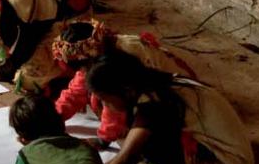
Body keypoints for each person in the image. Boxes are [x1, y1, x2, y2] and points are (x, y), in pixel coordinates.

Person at [85, 51, 254, 164]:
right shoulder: (154, 83)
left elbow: (126, 158)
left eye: (105, 100)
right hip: (234, 160)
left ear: (127, 91)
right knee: (142, 139)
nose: (104, 105)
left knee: (148, 143)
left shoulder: (153, 103)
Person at [44, 20, 197, 146]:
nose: (81, 72)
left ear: (89, 59)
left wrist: (103, 139)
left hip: (176, 94)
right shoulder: (97, 53)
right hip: (142, 90)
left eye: (82, 68)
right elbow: (77, 88)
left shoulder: (116, 63)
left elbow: (114, 108)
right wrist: (56, 116)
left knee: (150, 138)